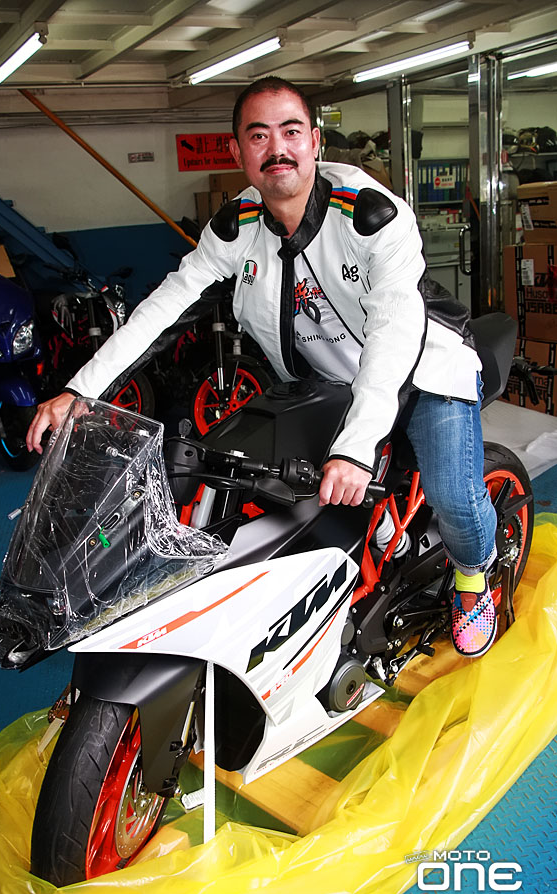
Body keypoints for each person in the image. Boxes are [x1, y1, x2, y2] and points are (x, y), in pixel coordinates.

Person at [27, 76, 497, 659]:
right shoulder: (237, 226)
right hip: (329, 381)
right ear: (238, 151)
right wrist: (82, 390)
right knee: (272, 484)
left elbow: (394, 332)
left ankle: (474, 580)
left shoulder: (370, 216)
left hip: (423, 372)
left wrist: (355, 447)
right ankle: (377, 545)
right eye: (259, 135)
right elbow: (166, 305)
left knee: (453, 497)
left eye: (291, 131)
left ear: (315, 141)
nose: (278, 148)